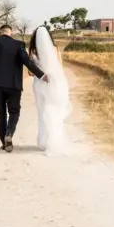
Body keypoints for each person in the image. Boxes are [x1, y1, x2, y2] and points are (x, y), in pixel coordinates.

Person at [27, 25, 71, 155]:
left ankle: (43, 140)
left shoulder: (33, 51)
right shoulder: (55, 49)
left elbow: (30, 73)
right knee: (54, 110)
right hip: (54, 83)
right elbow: (60, 68)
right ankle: (54, 139)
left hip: (39, 84)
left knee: (42, 112)